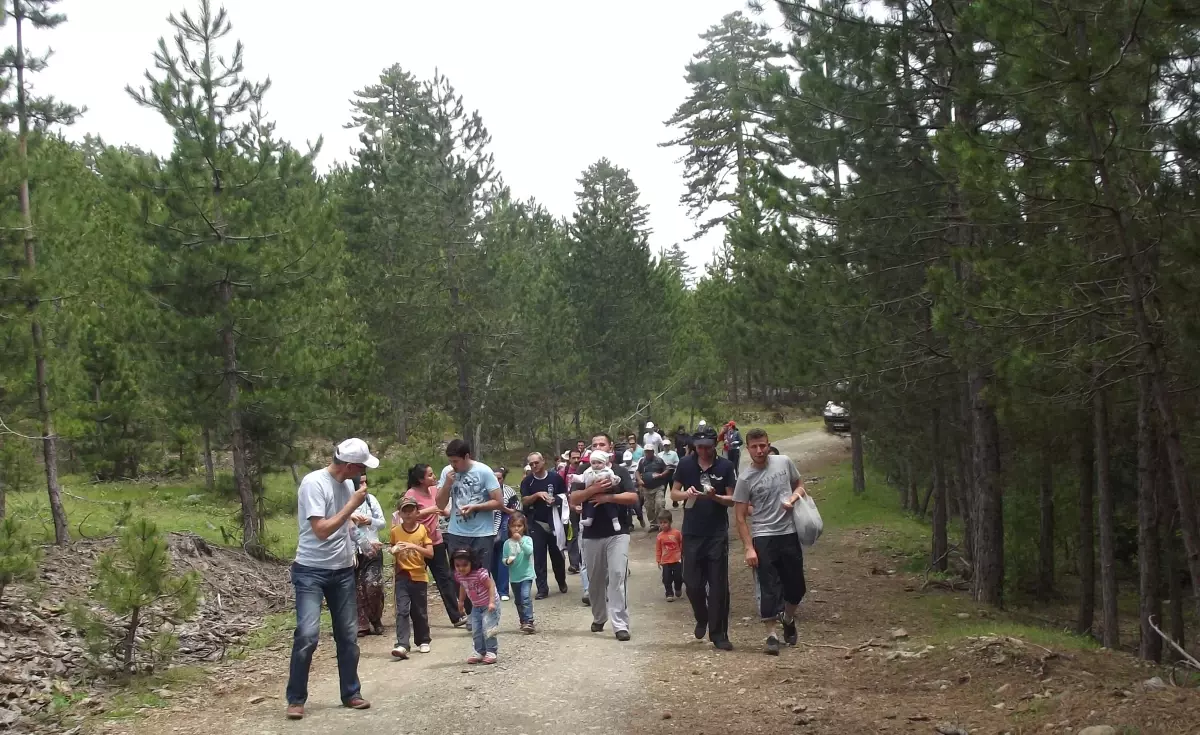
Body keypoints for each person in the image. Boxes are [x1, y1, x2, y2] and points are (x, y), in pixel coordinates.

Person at [285, 438, 378, 720]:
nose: (363, 473)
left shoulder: (347, 484)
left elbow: (344, 524)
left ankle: (351, 692)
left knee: (348, 635)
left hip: (342, 571)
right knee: (307, 635)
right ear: (350, 465)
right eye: (362, 467)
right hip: (310, 570)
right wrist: (352, 505)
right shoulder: (314, 484)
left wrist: (361, 541)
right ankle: (296, 698)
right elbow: (322, 530)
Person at [733, 428, 808, 656]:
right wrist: (748, 548)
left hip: (788, 532)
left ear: (769, 444)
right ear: (748, 449)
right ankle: (771, 635)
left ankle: (788, 617)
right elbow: (739, 517)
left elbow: (801, 485)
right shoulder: (745, 479)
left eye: (763, 445)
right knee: (768, 586)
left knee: (797, 587)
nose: (759, 450)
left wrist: (793, 498)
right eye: (754, 447)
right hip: (763, 536)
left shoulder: (784, 462)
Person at [671, 424, 737, 651]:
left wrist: (715, 496)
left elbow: (732, 499)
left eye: (707, 447)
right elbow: (674, 492)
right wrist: (686, 494)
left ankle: (719, 634)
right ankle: (702, 615)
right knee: (692, 582)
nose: (703, 451)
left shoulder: (726, 466)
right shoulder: (685, 463)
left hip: (716, 532)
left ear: (714, 445)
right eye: (698, 447)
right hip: (692, 531)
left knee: (718, 585)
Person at [570, 432, 638, 641]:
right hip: (591, 534)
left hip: (618, 532)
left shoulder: (619, 471)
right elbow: (573, 497)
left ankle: (620, 624)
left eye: (602, 444)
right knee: (596, 579)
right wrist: (593, 489)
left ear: (610, 448)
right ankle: (599, 616)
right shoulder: (584, 470)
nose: (598, 446)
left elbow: (633, 496)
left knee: (617, 575)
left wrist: (609, 497)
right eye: (594, 444)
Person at [437, 439, 503, 616]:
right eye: (450, 461)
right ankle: (472, 614)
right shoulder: (447, 473)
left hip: (482, 533)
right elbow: (439, 503)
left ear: (467, 456)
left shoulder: (484, 471)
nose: (453, 465)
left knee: (481, 575)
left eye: (456, 461)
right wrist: (447, 485)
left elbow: (499, 501)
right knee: (460, 576)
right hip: (456, 532)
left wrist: (476, 507)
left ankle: (487, 611)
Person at [402, 464, 464, 628]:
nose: (434, 477)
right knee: (416, 581)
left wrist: (444, 511)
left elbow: (442, 507)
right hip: (417, 544)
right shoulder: (411, 494)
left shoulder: (435, 491)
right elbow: (408, 516)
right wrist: (431, 510)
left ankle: (456, 616)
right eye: (430, 475)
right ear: (421, 480)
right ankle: (415, 619)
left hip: (435, 541)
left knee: (446, 578)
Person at [389, 496, 434, 659]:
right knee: (402, 610)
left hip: (419, 575)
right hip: (402, 575)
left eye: (411, 510)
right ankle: (402, 644)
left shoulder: (422, 530)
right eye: (404, 511)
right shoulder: (395, 531)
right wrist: (394, 550)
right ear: (399, 513)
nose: (408, 514)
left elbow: (430, 553)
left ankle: (423, 639)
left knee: (419, 610)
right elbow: (391, 546)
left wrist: (413, 546)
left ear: (417, 512)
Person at [520, 452, 570, 599]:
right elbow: (524, 500)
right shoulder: (527, 481)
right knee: (539, 557)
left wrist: (555, 500)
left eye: (537, 462)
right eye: (531, 464)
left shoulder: (555, 478)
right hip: (536, 522)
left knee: (557, 555)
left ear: (543, 461)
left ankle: (561, 581)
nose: (534, 466)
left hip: (554, 521)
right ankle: (542, 588)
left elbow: (564, 496)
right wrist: (536, 495)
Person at [351, 477, 386, 636]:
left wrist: (369, 520)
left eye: (366, 482)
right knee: (357, 589)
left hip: (373, 548)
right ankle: (362, 624)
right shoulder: (344, 501)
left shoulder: (371, 500)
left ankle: (376, 618)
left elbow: (382, 523)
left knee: (373, 585)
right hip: (352, 552)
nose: (364, 486)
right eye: (360, 483)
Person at [452, 548, 500, 665]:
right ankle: (480, 651)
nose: (461, 568)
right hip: (476, 606)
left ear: (472, 563)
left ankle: (491, 651)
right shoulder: (459, 575)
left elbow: (491, 586)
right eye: (457, 565)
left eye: (464, 565)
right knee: (476, 630)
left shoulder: (480, 574)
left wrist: (492, 602)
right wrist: (461, 601)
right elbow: (463, 586)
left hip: (489, 605)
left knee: (488, 628)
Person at [503, 512, 536, 633]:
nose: (516, 528)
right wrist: (507, 561)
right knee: (518, 600)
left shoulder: (527, 539)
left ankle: (529, 621)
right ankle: (523, 621)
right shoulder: (507, 543)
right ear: (509, 527)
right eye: (513, 526)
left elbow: (529, 552)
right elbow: (504, 558)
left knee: (525, 597)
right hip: (514, 577)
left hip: (526, 575)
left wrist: (520, 541)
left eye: (519, 525)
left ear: (524, 527)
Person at [491, 467, 521, 602]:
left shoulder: (509, 492)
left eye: (499, 478)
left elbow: (516, 511)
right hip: (487, 528)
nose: (497, 481)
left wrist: (503, 508)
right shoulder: (484, 490)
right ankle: (496, 588)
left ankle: (503, 590)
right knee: (491, 561)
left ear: (503, 478)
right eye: (494, 478)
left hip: (503, 527)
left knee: (503, 560)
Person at [636, 444, 669, 533]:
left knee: (659, 504)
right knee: (649, 507)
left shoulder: (659, 460)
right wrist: (639, 480)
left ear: (653, 451)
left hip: (658, 487)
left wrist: (661, 475)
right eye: (646, 451)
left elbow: (667, 469)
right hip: (646, 488)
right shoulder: (642, 461)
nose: (648, 453)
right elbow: (638, 471)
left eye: (649, 451)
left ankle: (661, 524)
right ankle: (653, 524)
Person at [655, 510, 683, 601]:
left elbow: (681, 544)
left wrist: (683, 555)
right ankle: (669, 593)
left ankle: (678, 588)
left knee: (678, 577)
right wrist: (658, 560)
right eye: (661, 523)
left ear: (670, 522)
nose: (663, 525)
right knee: (666, 579)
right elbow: (658, 549)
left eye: (665, 522)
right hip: (666, 561)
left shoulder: (677, 533)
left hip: (677, 560)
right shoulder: (659, 536)